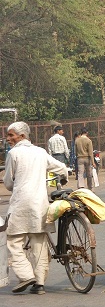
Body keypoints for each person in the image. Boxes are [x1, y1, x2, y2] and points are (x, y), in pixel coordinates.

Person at [3, 121, 68, 294]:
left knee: (13, 241)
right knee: (39, 242)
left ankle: (25, 275)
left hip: (21, 203)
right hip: (40, 204)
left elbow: (8, 183)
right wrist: (64, 178)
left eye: (11, 135)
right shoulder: (40, 152)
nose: (8, 138)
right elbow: (61, 167)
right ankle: (39, 283)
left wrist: (16, 183)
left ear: (22, 136)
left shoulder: (14, 153)